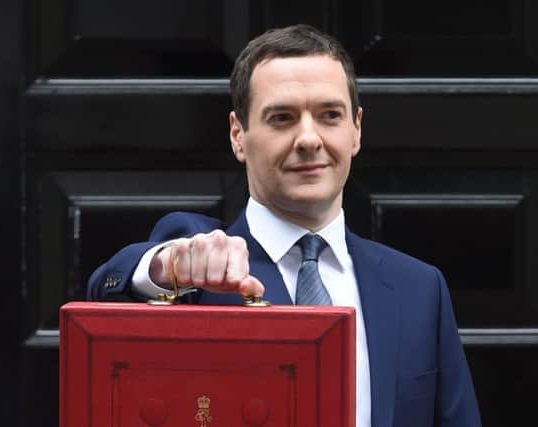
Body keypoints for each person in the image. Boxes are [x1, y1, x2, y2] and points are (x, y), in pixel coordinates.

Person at [88, 24, 481, 427]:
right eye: (282, 118)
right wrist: (166, 266)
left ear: (356, 129)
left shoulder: (420, 288)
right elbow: (108, 289)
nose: (308, 138)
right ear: (238, 135)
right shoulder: (201, 270)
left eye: (329, 115)